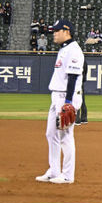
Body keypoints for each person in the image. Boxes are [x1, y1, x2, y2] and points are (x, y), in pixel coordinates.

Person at [35, 19, 85, 184]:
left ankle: (68, 175)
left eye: (57, 31)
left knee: (65, 136)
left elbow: (72, 77)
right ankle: (54, 170)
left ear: (66, 31)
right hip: (56, 95)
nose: (54, 34)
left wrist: (68, 102)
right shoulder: (64, 49)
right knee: (51, 133)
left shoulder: (74, 50)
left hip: (66, 96)